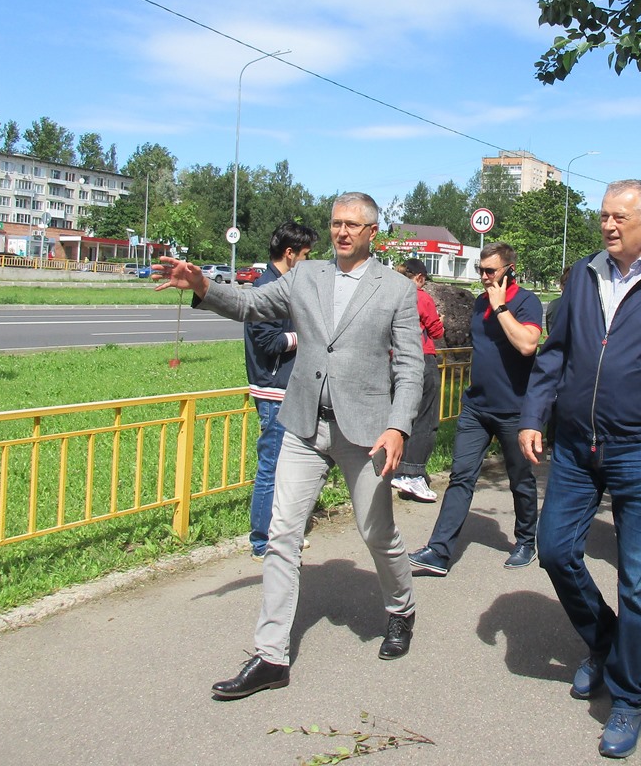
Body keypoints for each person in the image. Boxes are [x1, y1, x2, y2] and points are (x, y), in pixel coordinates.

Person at [152, 192, 423, 699]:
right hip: (302, 425)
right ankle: (271, 656)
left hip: (364, 432)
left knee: (377, 532)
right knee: (282, 535)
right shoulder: (306, 275)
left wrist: (398, 427)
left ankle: (401, 608)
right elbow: (253, 305)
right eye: (336, 223)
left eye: (352, 225)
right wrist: (204, 285)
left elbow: (410, 367)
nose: (341, 232)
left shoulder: (396, 289)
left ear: (371, 232)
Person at [518, 179, 641, 759]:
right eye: (603, 216)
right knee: (553, 549)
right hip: (578, 445)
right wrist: (535, 414)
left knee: (638, 580)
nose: (608, 225)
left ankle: (628, 698)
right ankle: (603, 639)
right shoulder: (582, 273)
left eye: (620, 217)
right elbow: (555, 352)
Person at [408, 242, 543, 576]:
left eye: (490, 271)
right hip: (476, 407)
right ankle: (439, 552)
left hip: (515, 410)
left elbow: (528, 345)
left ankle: (526, 541)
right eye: (480, 270)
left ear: (509, 270)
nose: (483, 277)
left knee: (520, 480)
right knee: (461, 477)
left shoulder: (527, 302)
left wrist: (501, 309)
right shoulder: (480, 302)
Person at [243, 221, 317, 560]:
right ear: (289, 254)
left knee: (287, 468)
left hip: (289, 387)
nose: (308, 260)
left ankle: (281, 533)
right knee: (271, 467)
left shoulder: (287, 283)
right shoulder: (266, 287)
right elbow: (269, 341)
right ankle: (261, 541)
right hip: (273, 389)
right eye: (305, 255)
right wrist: (308, 339)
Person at [391, 258, 445, 502]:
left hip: (394, 361)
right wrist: (439, 321)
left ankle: (395, 468)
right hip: (422, 359)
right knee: (426, 418)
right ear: (420, 278)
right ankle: (412, 473)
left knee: (400, 417)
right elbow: (436, 331)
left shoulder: (390, 294)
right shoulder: (420, 297)